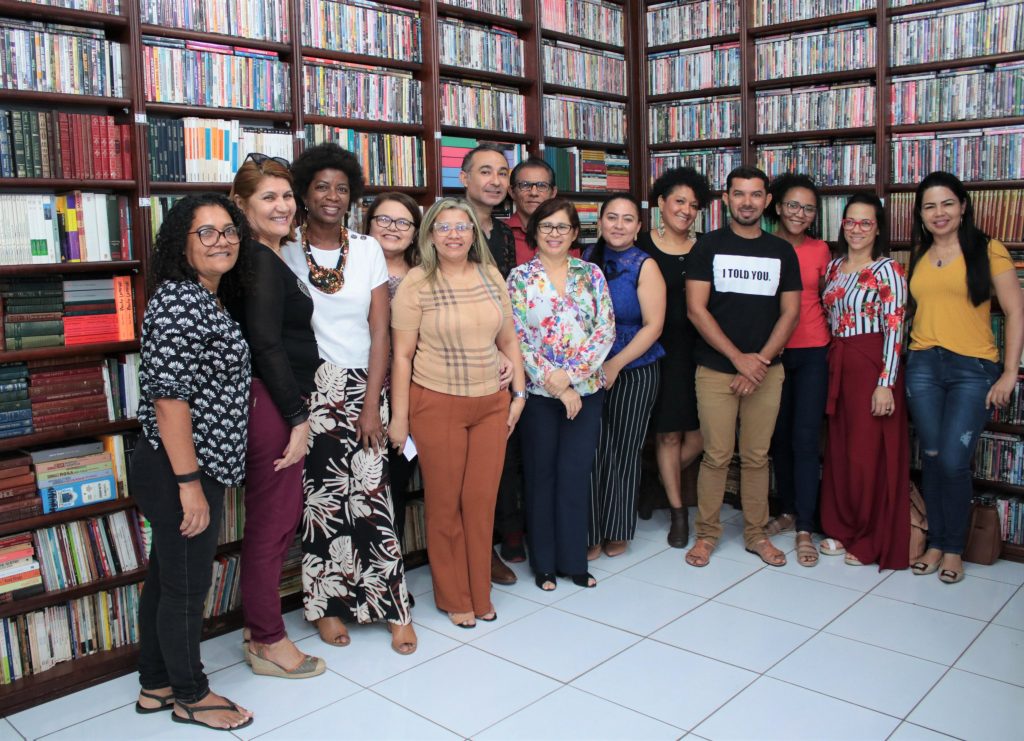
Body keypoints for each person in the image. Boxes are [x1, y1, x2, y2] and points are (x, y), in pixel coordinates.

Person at [283, 143, 416, 655]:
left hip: (362, 385)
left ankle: (394, 607)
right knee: (321, 504)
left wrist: (369, 403)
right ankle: (327, 606)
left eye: (342, 188)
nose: (332, 196)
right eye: (321, 186)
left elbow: (380, 331)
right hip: (309, 389)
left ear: (352, 194)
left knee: (372, 499)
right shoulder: (286, 251)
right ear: (304, 192)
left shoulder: (365, 250)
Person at [132, 194, 254, 730]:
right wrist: (189, 484)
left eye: (229, 230)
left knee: (166, 577)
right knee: (186, 586)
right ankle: (191, 695)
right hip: (180, 466)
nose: (222, 240)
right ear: (182, 243)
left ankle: (155, 685)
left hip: (191, 465)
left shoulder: (208, 298)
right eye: (206, 232)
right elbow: (169, 399)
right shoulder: (181, 300)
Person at [389, 197, 526, 628]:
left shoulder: (490, 275)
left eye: (461, 227)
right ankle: (454, 596)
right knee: (446, 505)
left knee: (481, 502)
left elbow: (509, 340)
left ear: (474, 233)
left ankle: (480, 592)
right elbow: (401, 356)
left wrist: (519, 394)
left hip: (492, 404)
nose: (453, 234)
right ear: (430, 234)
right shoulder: (417, 282)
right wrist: (399, 418)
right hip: (437, 403)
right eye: (443, 227)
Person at [228, 155, 326, 677]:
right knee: (274, 524)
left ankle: (256, 627)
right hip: (271, 404)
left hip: (275, 400)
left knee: (277, 521)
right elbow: (264, 343)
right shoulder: (260, 262)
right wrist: (296, 415)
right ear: (242, 206)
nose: (283, 206)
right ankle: (267, 639)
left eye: (287, 196)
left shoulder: (264, 257)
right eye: (269, 197)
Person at [904, 171, 1024, 584]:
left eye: (947, 203)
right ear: (920, 214)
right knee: (933, 458)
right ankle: (936, 542)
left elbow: (1016, 312)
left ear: (963, 206)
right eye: (930, 206)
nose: (939, 213)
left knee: (954, 461)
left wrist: (1009, 374)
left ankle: (953, 546)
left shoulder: (988, 250)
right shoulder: (918, 256)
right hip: (922, 366)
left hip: (972, 371)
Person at [684, 165, 801, 569]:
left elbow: (790, 313)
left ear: (767, 200)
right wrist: (739, 360)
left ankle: (755, 535)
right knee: (716, 455)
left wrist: (760, 362)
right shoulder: (707, 247)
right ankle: (707, 535)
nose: (747, 202)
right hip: (717, 369)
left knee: (756, 457)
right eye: (739, 194)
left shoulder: (782, 250)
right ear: (726, 199)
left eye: (755, 194)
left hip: (767, 371)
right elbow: (696, 310)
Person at [508, 198, 614, 590]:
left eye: (563, 227)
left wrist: (570, 379)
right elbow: (515, 335)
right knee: (541, 475)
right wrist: (552, 380)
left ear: (574, 234)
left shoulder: (592, 275)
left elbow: (605, 330)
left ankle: (575, 560)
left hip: (585, 391)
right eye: (547, 226)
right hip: (537, 393)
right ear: (534, 231)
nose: (555, 233)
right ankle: (545, 564)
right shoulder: (518, 278)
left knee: (574, 474)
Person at [819, 195, 910, 570]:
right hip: (839, 363)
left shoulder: (888, 270)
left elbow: (894, 328)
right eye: (850, 222)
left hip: (873, 367)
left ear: (877, 228)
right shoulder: (834, 267)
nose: (857, 229)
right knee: (840, 450)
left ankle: (872, 536)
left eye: (865, 223)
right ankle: (843, 526)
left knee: (869, 455)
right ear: (842, 225)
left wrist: (885, 382)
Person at [584, 194, 666, 560]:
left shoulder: (644, 264)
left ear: (639, 226)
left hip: (634, 366)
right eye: (611, 217)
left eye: (627, 219)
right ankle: (591, 529)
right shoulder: (585, 258)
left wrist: (616, 365)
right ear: (599, 221)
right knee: (591, 450)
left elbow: (654, 326)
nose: (618, 225)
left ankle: (618, 527)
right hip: (588, 367)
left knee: (623, 449)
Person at [637, 166, 712, 548]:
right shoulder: (640, 244)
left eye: (694, 205)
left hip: (701, 352)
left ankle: (652, 480)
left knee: (706, 435)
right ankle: (679, 515)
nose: (686, 210)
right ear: (661, 203)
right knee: (667, 434)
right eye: (679, 201)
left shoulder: (707, 247)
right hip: (657, 351)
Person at [459, 142, 522, 583]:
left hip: (494, 359)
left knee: (491, 461)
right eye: (486, 171)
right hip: (448, 358)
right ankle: (461, 553)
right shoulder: (446, 223)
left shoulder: (503, 235)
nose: (496, 181)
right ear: (464, 178)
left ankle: (487, 547)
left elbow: (506, 302)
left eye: (502, 173)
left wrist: (505, 352)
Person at [764, 173, 832, 567]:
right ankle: (787, 510)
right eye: (793, 205)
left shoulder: (822, 250)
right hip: (771, 355)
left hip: (812, 352)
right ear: (777, 206)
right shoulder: (761, 247)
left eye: (808, 208)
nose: (800, 213)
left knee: (806, 439)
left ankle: (805, 525)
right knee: (777, 439)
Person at [365, 192, 421, 554]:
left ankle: (392, 578)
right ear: (367, 225)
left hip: (414, 393)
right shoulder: (349, 272)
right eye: (383, 220)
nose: (392, 228)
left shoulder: (424, 275)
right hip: (361, 394)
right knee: (365, 490)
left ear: (416, 233)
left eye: (403, 222)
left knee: (396, 487)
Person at [506, 157, 559, 265]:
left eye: (542, 186)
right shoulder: (500, 234)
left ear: (553, 192)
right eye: (525, 185)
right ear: (512, 192)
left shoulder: (565, 234)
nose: (534, 193)